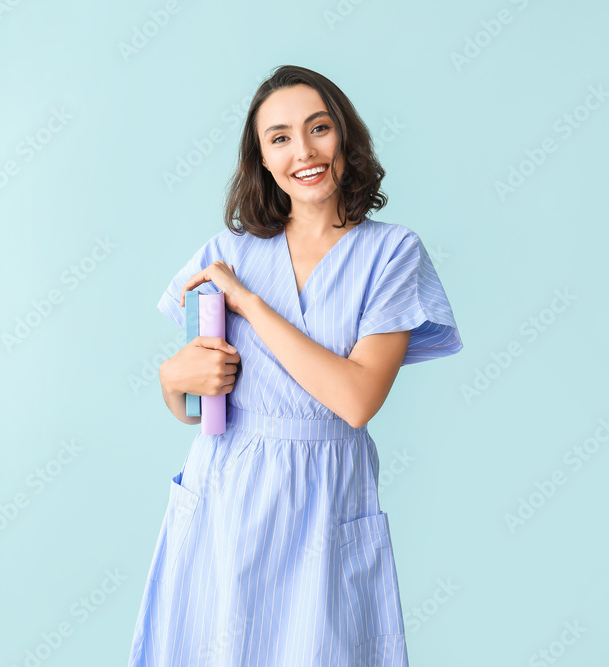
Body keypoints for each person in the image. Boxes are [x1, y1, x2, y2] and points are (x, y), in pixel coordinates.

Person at [129, 65, 463, 667]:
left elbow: (357, 399)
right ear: (260, 158)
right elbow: (199, 398)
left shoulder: (391, 254)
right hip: (225, 495)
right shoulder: (227, 252)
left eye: (318, 128)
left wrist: (252, 304)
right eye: (279, 137)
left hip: (325, 500)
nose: (303, 152)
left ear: (346, 138)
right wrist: (171, 383)